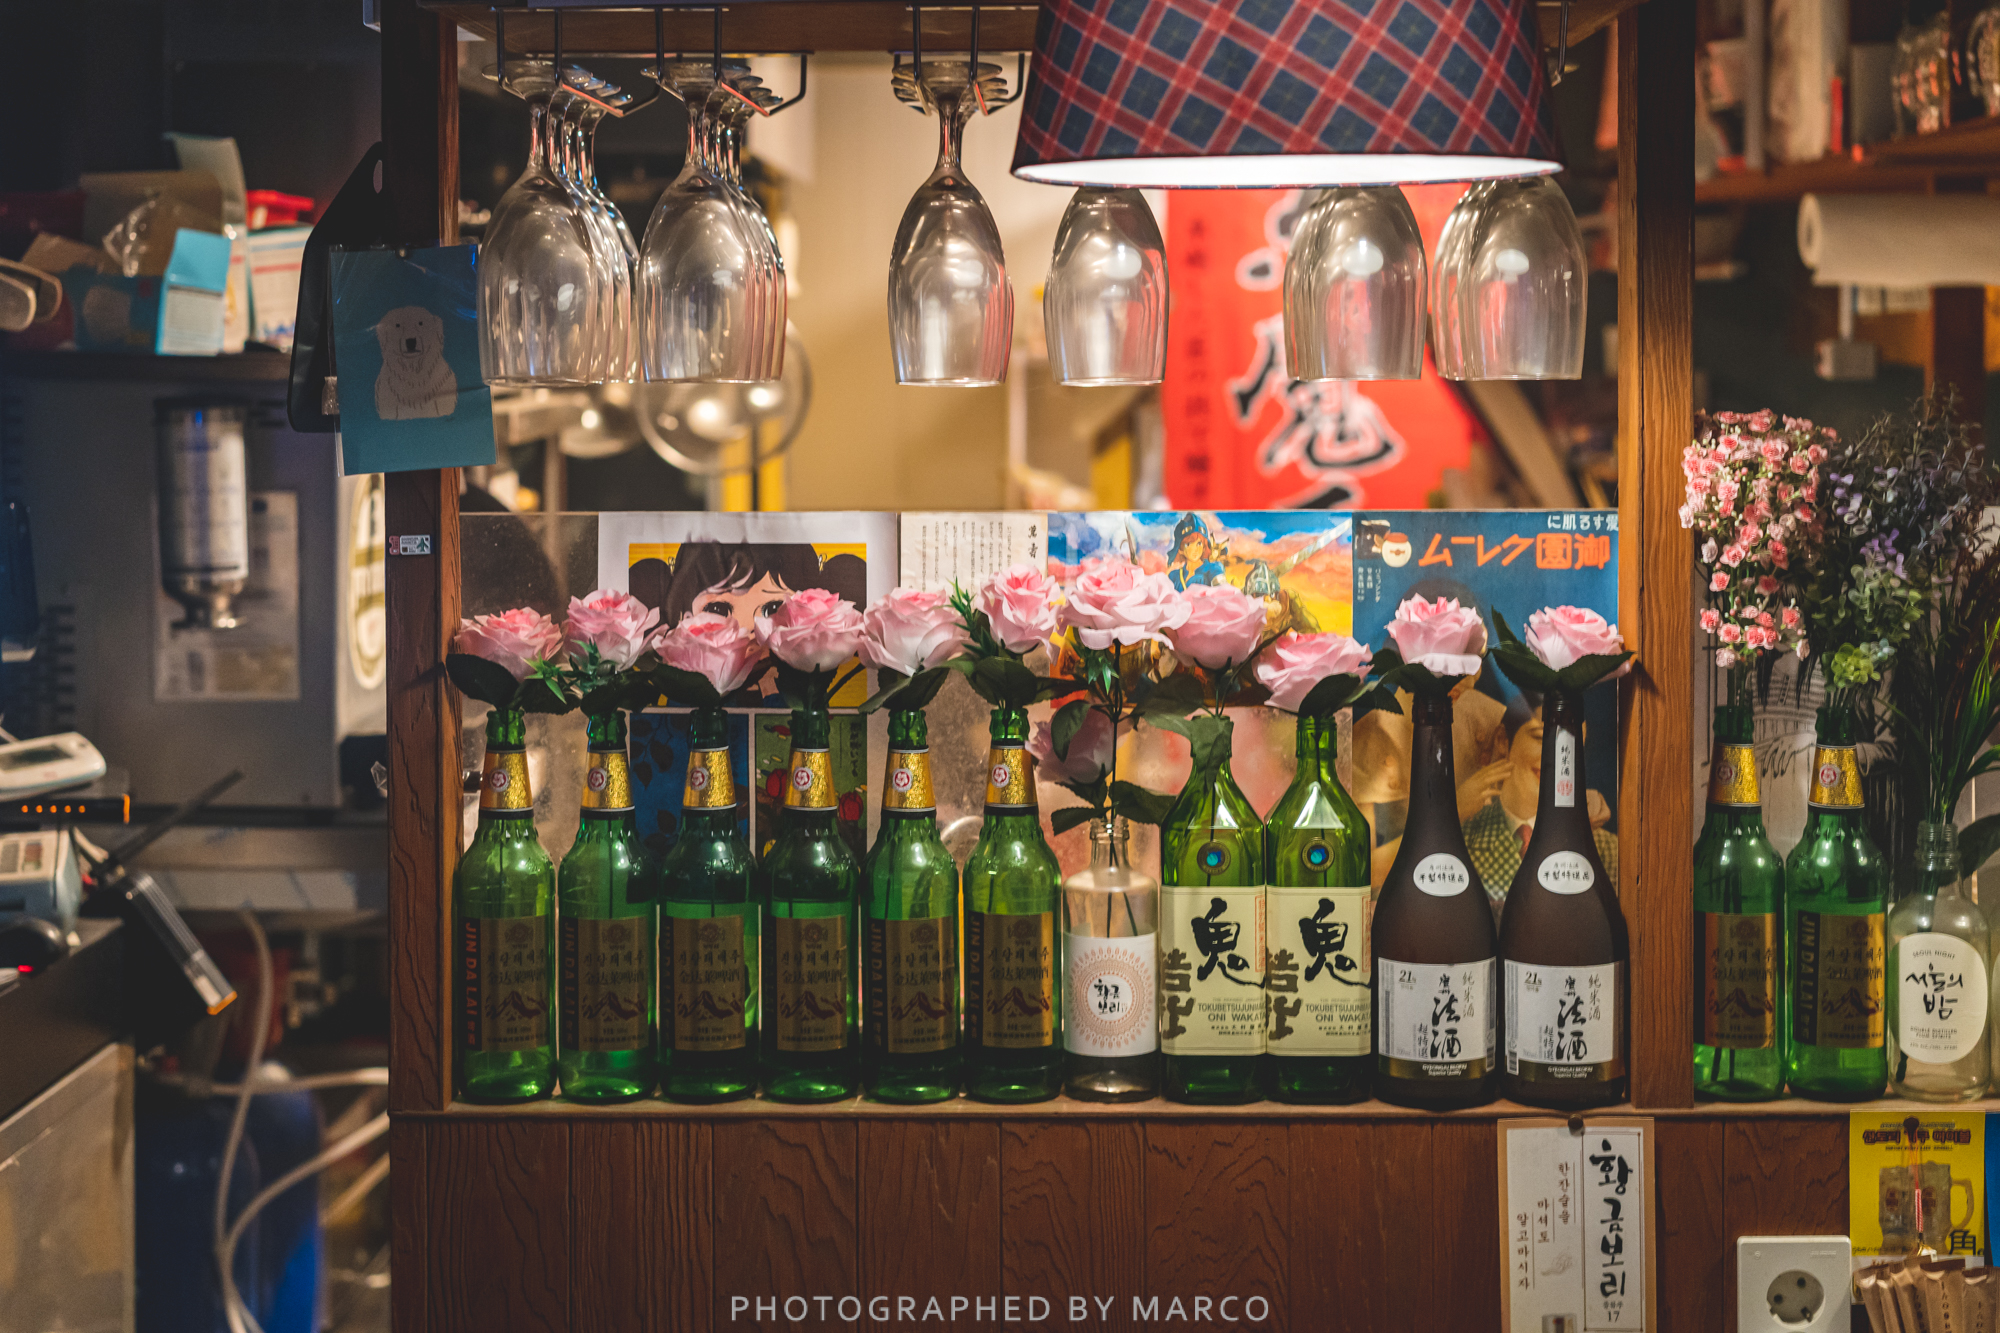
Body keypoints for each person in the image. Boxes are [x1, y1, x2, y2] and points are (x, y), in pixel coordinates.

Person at [1461, 696, 1618, 916]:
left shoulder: (1606, 850)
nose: (1556, 758)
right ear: (1502, 740)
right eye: (1540, 738)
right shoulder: (1463, 838)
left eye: (1569, 745)